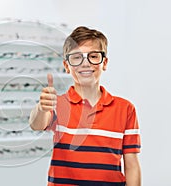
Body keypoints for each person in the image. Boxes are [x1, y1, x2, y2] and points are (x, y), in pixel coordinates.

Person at [29, 26, 141, 186]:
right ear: (67, 66)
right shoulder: (58, 104)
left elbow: (132, 165)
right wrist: (41, 108)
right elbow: (36, 124)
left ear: (105, 63)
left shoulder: (125, 109)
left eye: (93, 56)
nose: (85, 63)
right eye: (76, 57)